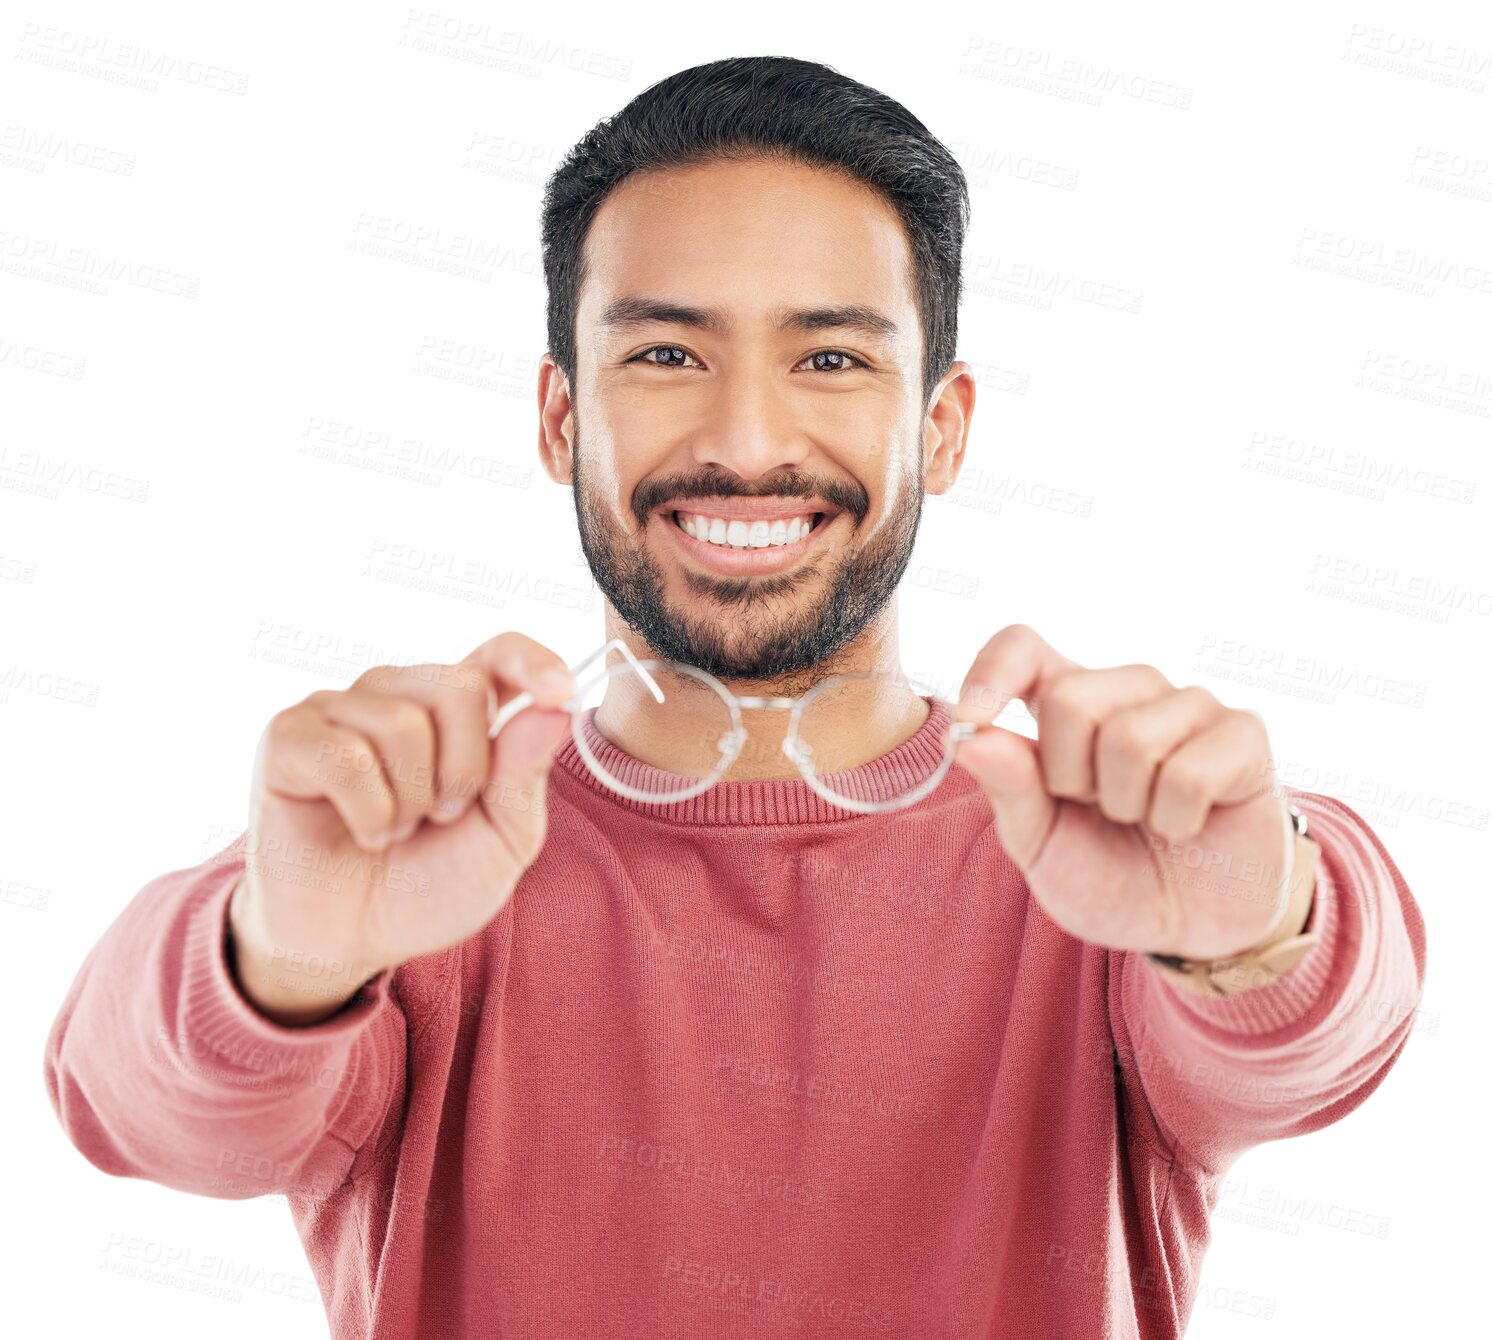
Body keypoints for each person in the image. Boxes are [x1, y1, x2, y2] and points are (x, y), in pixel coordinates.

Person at [43, 55, 1426, 1339]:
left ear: (938, 430)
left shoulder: (1106, 872)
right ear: (557, 417)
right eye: (664, 354)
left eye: (829, 357)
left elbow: (1322, 1039)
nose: (748, 441)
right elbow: (131, 1109)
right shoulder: (413, 858)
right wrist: (277, 967)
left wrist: (1261, 934)